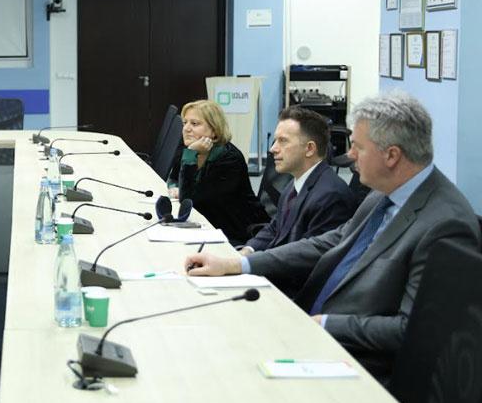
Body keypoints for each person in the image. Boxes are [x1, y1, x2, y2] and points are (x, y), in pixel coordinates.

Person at [185, 94, 481, 382]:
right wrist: (238, 264)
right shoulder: (383, 193)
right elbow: (329, 241)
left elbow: (412, 329)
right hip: (313, 317)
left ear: (391, 155)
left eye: (358, 147)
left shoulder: (446, 223)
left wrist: (324, 323)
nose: (349, 156)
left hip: (357, 359)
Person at [241, 107, 356, 259]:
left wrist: (247, 264)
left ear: (309, 149)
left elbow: (305, 260)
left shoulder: (330, 196)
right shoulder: (295, 183)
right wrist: (247, 251)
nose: (273, 149)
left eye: (283, 141)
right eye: (275, 140)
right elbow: (275, 228)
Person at [174, 99, 268, 245]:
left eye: (194, 124)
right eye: (185, 123)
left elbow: (189, 200)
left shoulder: (229, 159)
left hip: (238, 231)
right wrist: (174, 186)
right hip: (210, 223)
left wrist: (190, 154)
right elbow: (172, 178)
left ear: (214, 131)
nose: (186, 128)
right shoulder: (188, 146)